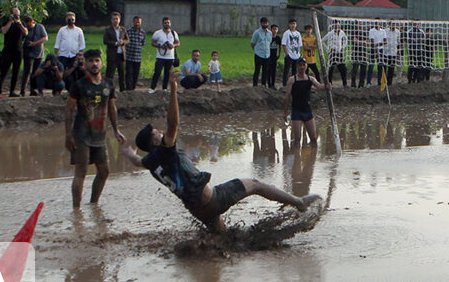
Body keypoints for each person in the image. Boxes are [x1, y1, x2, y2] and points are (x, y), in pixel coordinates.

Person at [124, 70, 320, 234]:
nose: (159, 131)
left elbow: (135, 161)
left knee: (224, 243)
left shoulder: (150, 162)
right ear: (155, 142)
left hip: (197, 210)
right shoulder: (165, 150)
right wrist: (174, 90)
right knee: (255, 185)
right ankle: (299, 202)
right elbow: (173, 123)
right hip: (213, 199)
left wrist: (130, 150)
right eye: (155, 133)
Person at [65, 48, 124, 208]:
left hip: (100, 136)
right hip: (81, 135)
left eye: (97, 60)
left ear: (102, 63)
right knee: (81, 173)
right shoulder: (79, 85)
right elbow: (69, 110)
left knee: (104, 171)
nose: (94, 64)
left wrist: (116, 129)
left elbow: (112, 108)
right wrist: (68, 135)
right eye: (90, 61)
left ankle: (93, 204)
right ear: (85, 64)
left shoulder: (108, 83)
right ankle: (76, 210)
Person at [284, 58, 329, 146]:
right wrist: (285, 112)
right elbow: (287, 96)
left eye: (303, 65)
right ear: (297, 66)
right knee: (297, 140)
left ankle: (312, 158)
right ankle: (297, 158)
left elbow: (320, 86)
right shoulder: (292, 80)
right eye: (300, 65)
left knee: (313, 138)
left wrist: (327, 86)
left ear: (306, 66)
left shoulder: (310, 79)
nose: (302, 67)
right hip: (296, 111)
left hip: (308, 111)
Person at [0, 6, 27, 97]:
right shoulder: (6, 22)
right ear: (11, 14)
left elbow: (26, 33)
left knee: (16, 71)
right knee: (4, 70)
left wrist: (19, 24)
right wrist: (10, 22)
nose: (16, 16)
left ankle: (12, 91)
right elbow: (3, 31)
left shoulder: (21, 23)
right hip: (8, 49)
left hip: (18, 50)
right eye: (15, 14)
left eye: (18, 14)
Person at [150, 16, 180, 92]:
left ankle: (165, 88)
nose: (167, 24)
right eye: (165, 23)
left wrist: (173, 45)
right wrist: (160, 46)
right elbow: (153, 43)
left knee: (167, 74)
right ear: (162, 24)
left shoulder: (174, 33)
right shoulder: (157, 33)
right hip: (160, 56)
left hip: (170, 57)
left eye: (168, 22)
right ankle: (152, 88)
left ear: (170, 23)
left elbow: (178, 43)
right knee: (157, 72)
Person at [22, 15, 48, 96]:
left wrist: (34, 44)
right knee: (27, 72)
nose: (29, 27)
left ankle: (32, 89)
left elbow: (45, 38)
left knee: (35, 72)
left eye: (29, 25)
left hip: (38, 53)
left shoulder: (40, 27)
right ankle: (22, 90)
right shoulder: (25, 29)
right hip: (28, 54)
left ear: (33, 22)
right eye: (27, 25)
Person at [103, 12, 127, 91]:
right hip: (112, 55)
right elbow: (105, 41)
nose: (115, 20)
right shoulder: (108, 30)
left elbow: (127, 39)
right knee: (110, 75)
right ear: (111, 20)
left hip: (121, 55)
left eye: (117, 19)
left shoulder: (122, 29)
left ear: (119, 20)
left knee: (122, 74)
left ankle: (122, 90)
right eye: (114, 19)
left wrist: (123, 42)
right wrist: (116, 43)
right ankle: (107, 90)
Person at [124, 15, 146, 91]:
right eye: (136, 22)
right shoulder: (128, 31)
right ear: (133, 22)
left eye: (139, 22)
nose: (137, 24)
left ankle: (133, 88)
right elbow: (125, 41)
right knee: (129, 73)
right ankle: (128, 89)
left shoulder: (143, 32)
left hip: (138, 57)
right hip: (129, 56)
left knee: (135, 74)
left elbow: (143, 43)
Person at [251, 17, 274, 88]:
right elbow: (252, 43)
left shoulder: (270, 33)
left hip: (267, 54)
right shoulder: (257, 33)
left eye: (266, 23)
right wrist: (256, 50)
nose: (265, 24)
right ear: (261, 23)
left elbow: (269, 42)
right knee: (257, 70)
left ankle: (263, 85)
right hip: (258, 54)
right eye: (264, 23)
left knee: (265, 71)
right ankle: (255, 85)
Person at [281, 18, 304, 86]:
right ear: (289, 25)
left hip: (296, 55)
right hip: (289, 55)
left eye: (294, 24)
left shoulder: (298, 33)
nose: (293, 25)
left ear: (296, 24)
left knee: (295, 71)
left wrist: (300, 54)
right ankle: (284, 84)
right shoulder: (286, 33)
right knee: (287, 70)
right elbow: (284, 44)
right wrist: (287, 54)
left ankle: (294, 83)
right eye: (291, 24)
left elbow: (300, 45)